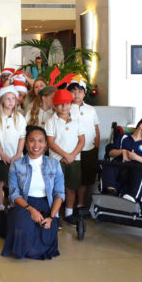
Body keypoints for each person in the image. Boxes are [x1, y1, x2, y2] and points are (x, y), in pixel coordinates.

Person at [2, 126, 64, 260]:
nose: (36, 145)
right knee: (25, 234)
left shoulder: (54, 164)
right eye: (32, 140)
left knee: (44, 234)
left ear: (46, 145)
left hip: (46, 204)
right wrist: (30, 209)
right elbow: (13, 193)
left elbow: (59, 194)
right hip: (24, 203)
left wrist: (52, 217)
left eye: (40, 141)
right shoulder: (16, 164)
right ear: (26, 143)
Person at [101, 116, 142, 203]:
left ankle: (132, 198)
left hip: (137, 171)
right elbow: (110, 152)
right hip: (120, 168)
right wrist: (122, 151)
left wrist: (136, 157)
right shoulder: (124, 138)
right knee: (108, 164)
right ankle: (110, 191)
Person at [46, 89, 84, 225]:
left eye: (67, 103)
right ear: (55, 106)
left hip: (74, 159)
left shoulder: (76, 120)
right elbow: (50, 142)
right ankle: (54, 215)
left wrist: (71, 156)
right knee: (56, 189)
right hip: (57, 160)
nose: (64, 107)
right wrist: (65, 155)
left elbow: (82, 140)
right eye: (60, 104)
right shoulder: (51, 121)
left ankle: (69, 213)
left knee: (71, 188)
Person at [0, 86, 26, 206]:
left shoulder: (19, 117)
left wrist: (19, 154)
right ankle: (0, 204)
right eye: (7, 99)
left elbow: (22, 137)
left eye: (13, 99)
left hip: (16, 155)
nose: (10, 101)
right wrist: (3, 154)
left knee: (14, 181)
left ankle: (13, 204)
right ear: (2, 101)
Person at [68, 75, 100, 206]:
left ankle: (80, 205)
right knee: (73, 179)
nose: (76, 94)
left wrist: (96, 147)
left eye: (79, 91)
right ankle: (69, 206)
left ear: (84, 93)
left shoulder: (91, 109)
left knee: (84, 180)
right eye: (73, 91)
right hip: (73, 150)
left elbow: (96, 128)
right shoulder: (67, 108)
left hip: (89, 149)